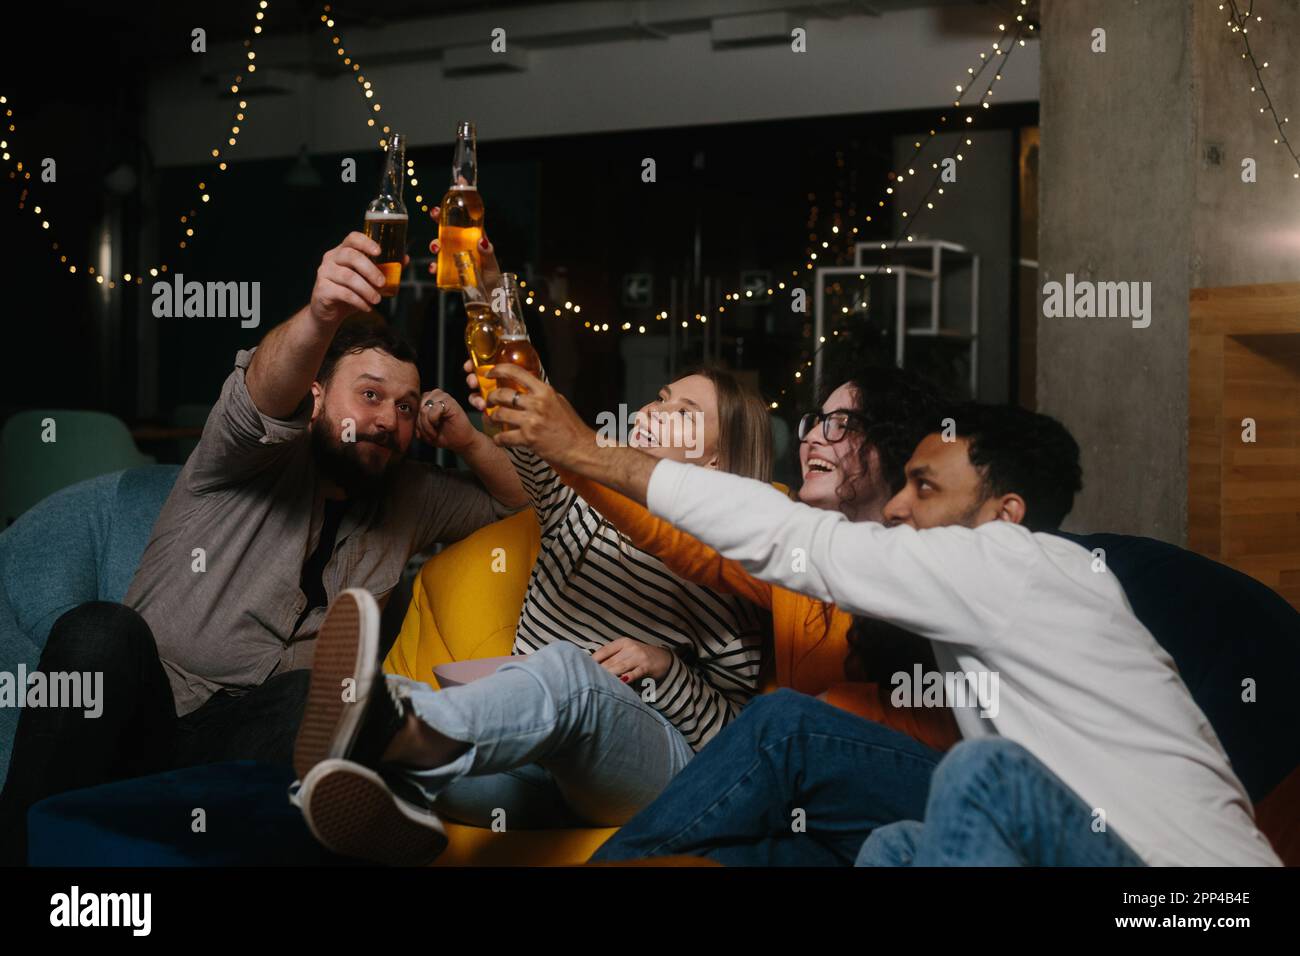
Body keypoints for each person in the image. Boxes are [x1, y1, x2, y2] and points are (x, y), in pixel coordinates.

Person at [487, 373, 1281, 867]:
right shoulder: (1003, 595)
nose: (901, 507)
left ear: (1005, 513)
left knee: (975, 773)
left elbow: (791, 540)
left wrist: (587, 449)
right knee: (894, 845)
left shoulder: (1009, 562)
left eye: (926, 489)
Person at [0, 232, 527, 864]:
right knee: (99, 631)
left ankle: (376, 800)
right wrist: (321, 315)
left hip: (248, 746)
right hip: (146, 713)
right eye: (369, 394)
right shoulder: (246, 453)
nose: (389, 419)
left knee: (321, 698)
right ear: (314, 398)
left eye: (406, 407)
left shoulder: (411, 493)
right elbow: (261, 387)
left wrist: (469, 442)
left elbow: (519, 505)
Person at [287, 223, 776, 865]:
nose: (656, 407)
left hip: (649, 772)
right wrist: (488, 285)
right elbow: (520, 382)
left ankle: (395, 739)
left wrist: (666, 668)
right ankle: (386, 781)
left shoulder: (732, 561)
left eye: (683, 412)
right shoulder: (579, 497)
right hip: (529, 764)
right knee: (370, 714)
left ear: (717, 462)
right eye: (661, 395)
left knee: (569, 675)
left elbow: (739, 742)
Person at [558, 363, 961, 752]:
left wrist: (814, 713)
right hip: (789, 773)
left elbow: (950, 719)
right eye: (816, 422)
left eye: (840, 425)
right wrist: (569, 451)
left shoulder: (929, 564)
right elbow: (684, 540)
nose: (814, 438)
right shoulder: (797, 546)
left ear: (892, 448)